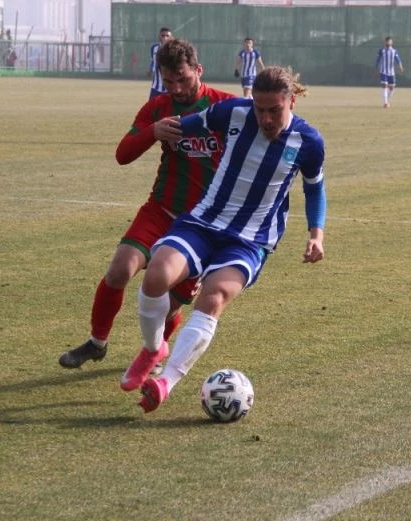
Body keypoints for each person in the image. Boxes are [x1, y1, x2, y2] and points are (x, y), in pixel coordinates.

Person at [128, 66, 327, 413]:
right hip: (204, 221)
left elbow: (315, 189)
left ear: (291, 101)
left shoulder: (308, 142)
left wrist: (316, 235)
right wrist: (156, 129)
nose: (265, 118)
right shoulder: (233, 112)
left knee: (214, 295)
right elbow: (186, 126)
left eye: (274, 110)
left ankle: (165, 382)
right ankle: (153, 347)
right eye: (259, 109)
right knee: (156, 275)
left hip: (250, 239)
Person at [58, 39, 235, 375]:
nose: (176, 88)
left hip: (202, 226)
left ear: (199, 70)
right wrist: (153, 132)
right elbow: (122, 155)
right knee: (119, 270)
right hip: (161, 209)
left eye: (183, 79)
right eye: (168, 81)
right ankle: (97, 343)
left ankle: (153, 352)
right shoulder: (158, 108)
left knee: (168, 306)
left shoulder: (225, 106)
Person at [375, 36, 403, 108]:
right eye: (387, 41)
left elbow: (398, 59)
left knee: (392, 87)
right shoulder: (381, 51)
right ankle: (385, 103)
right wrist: (376, 68)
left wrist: (400, 66)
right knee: (384, 86)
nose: (388, 42)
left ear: (392, 42)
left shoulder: (394, 51)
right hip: (383, 71)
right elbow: (377, 59)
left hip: (391, 72)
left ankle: (387, 100)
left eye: (389, 41)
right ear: (385, 42)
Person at [148, 27, 173, 99]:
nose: (165, 38)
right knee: (151, 106)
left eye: (167, 36)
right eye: (163, 35)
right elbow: (153, 61)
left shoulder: (174, 49)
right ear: (159, 36)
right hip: (155, 87)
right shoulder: (154, 48)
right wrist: (151, 70)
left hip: (169, 88)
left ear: (171, 37)